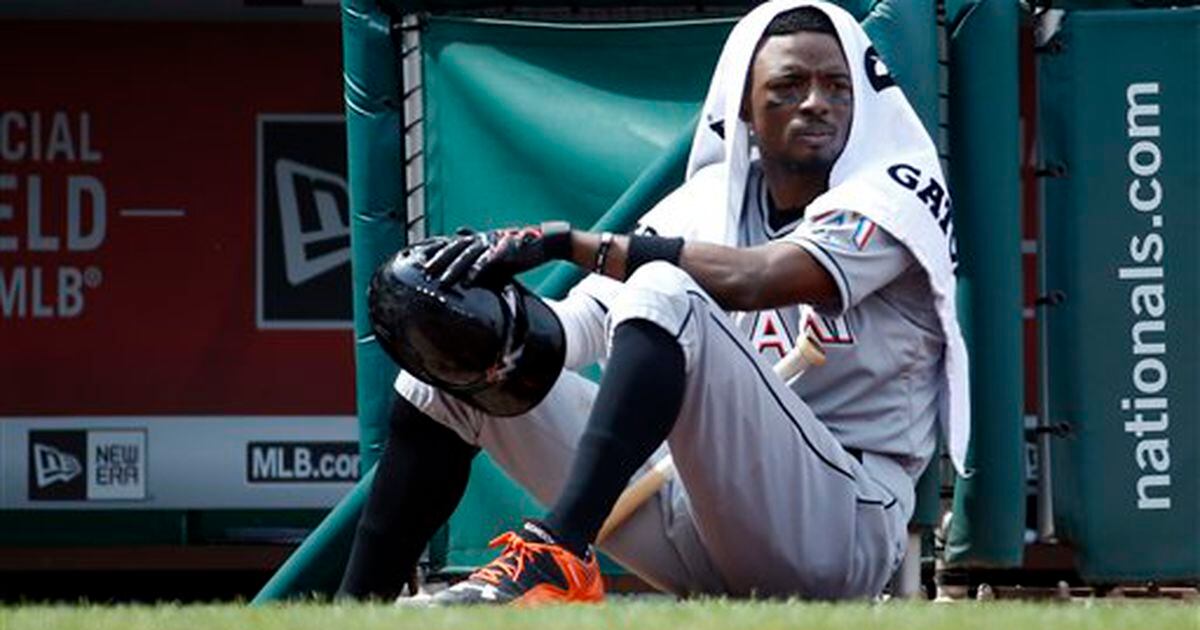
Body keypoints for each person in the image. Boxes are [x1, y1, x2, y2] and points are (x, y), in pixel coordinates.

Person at [339, 0, 970, 605]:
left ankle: (557, 555)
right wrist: (485, 310)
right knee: (464, 368)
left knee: (666, 285)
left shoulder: (894, 193)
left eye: (837, 86)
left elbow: (757, 278)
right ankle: (348, 612)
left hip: (841, 529)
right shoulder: (710, 199)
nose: (817, 102)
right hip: (701, 521)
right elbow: (573, 332)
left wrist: (569, 242)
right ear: (743, 108)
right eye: (789, 85)